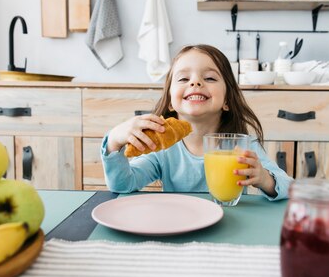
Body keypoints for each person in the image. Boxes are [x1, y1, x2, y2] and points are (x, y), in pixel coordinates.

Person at [101, 44, 292, 200]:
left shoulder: (242, 147)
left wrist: (265, 179)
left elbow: (289, 187)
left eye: (209, 78)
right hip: (178, 227)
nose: (195, 82)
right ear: (170, 101)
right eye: (184, 78)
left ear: (227, 100)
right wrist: (114, 141)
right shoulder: (163, 149)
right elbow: (123, 185)